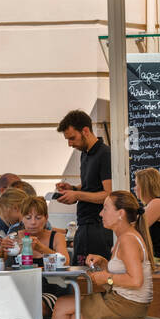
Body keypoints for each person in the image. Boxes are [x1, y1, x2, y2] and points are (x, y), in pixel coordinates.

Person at [43, 191, 155, 319]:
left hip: (127, 304)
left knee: (63, 313)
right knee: (64, 315)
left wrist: (107, 277)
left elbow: (135, 281)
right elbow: (124, 273)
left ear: (121, 213)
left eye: (105, 208)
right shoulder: (124, 237)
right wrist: (105, 264)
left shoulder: (127, 240)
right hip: (123, 301)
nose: (101, 213)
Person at [0, 194, 72, 319]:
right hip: (22, 293)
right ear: (21, 219)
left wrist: (42, 249)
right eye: (28, 217)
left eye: (38, 217)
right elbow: (2, 265)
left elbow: (65, 260)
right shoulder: (14, 238)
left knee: (33, 305)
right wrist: (1, 252)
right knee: (29, 304)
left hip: (52, 291)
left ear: (46, 218)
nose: (33, 222)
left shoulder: (56, 236)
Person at [55, 110, 113, 263]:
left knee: (93, 276)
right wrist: (73, 189)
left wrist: (77, 195)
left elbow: (109, 194)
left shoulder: (105, 154)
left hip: (98, 227)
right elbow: (91, 185)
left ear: (85, 131)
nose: (70, 144)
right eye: (67, 139)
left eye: (72, 138)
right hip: (84, 224)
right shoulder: (85, 154)